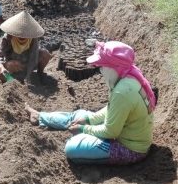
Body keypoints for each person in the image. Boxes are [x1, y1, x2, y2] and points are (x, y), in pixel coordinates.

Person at [24, 41, 155, 165]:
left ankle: (79, 137)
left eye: (102, 67)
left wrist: (83, 129)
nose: (101, 71)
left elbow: (110, 132)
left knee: (72, 147)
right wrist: (88, 119)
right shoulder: (128, 77)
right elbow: (111, 110)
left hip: (130, 149)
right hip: (123, 132)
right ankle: (40, 117)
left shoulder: (122, 92)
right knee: (80, 115)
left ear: (113, 68)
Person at [0, 11, 53, 84]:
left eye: (24, 35)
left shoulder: (32, 39)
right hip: (13, 63)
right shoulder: (8, 38)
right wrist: (1, 66)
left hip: (26, 64)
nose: (22, 36)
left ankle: (40, 73)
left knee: (45, 54)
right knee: (11, 66)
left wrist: (28, 76)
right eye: (20, 34)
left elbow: (32, 59)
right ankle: (11, 76)